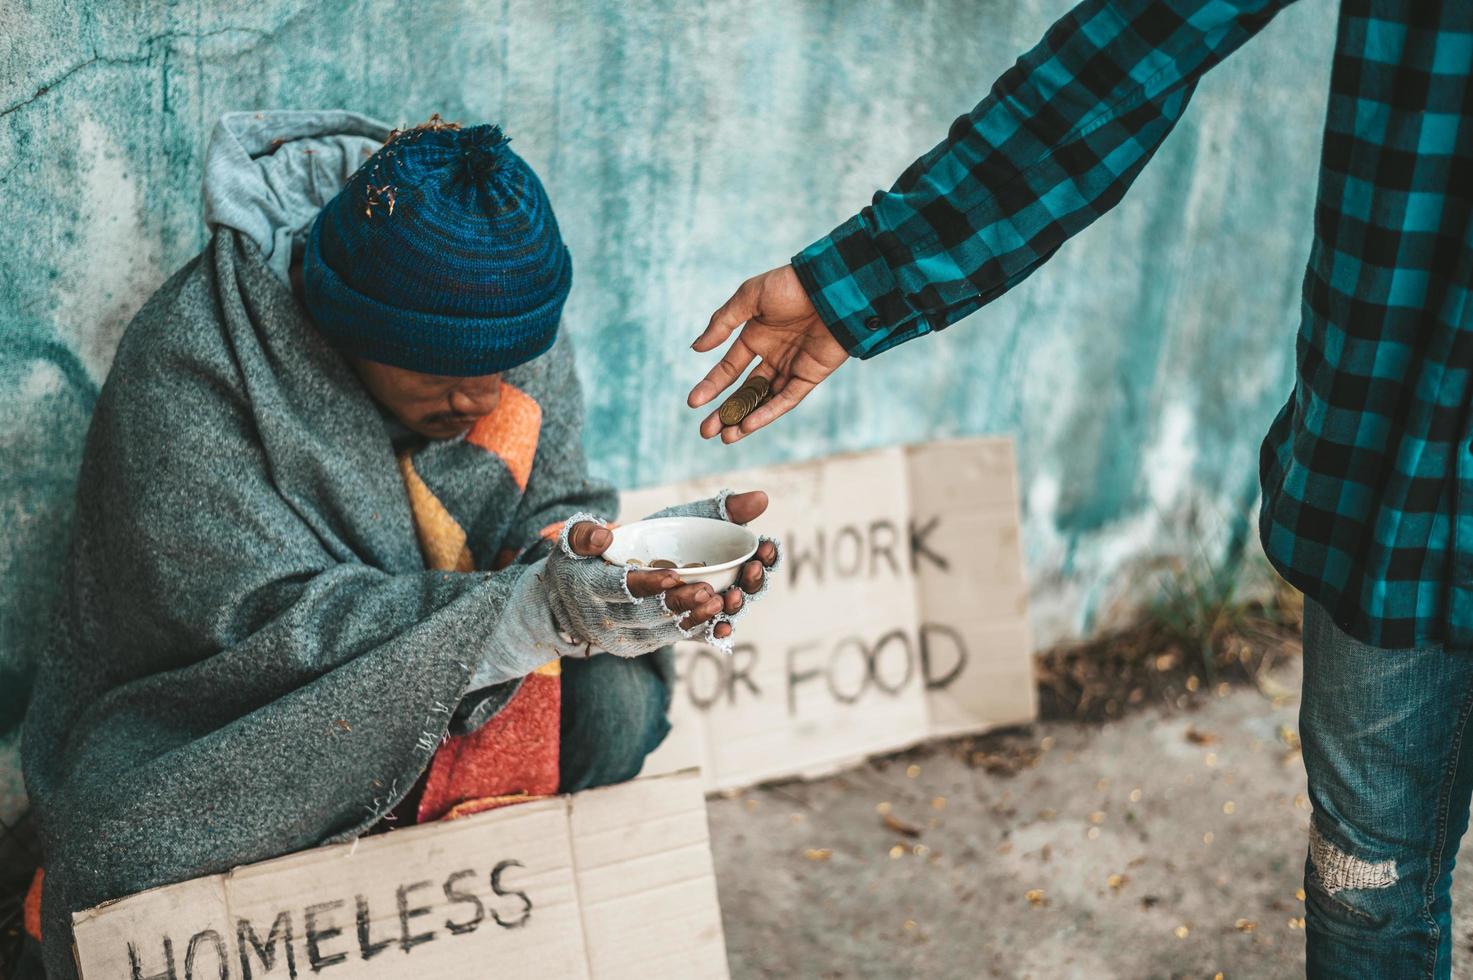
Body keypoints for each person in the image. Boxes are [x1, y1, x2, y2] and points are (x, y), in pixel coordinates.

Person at [689, 0, 1470, 975]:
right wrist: (862, 280)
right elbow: (1145, 34)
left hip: (1402, 470)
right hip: (1406, 470)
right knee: (1367, 880)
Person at [18, 109, 779, 979]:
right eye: (437, 369)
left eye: (504, 366)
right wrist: (526, 612)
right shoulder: (194, 362)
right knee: (147, 848)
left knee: (613, 704)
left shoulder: (504, 307)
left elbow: (563, 503)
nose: (480, 398)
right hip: (215, 721)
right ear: (344, 322)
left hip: (451, 673)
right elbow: (246, 627)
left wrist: (622, 573)